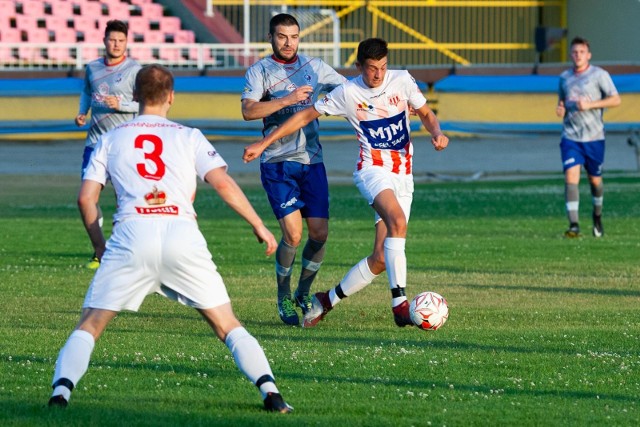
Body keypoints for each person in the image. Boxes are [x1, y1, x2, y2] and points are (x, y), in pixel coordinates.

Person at [48, 64, 292, 413]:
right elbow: (223, 183)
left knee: (91, 323)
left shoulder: (111, 138)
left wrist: (100, 245)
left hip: (132, 233)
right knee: (226, 324)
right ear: (172, 97)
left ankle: (61, 393)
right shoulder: (189, 135)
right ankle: (272, 393)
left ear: (135, 97)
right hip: (181, 233)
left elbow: (85, 198)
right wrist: (259, 224)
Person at [243, 38, 449, 328]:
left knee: (380, 258)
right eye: (371, 69)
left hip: (404, 175)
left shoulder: (402, 80)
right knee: (397, 222)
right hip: (372, 170)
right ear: (358, 67)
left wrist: (436, 132)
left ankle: (325, 300)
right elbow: (304, 116)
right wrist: (264, 143)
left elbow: (426, 113)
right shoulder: (348, 92)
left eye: (382, 67)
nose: (378, 75)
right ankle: (399, 303)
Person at [241, 13, 346, 326]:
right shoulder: (259, 71)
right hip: (277, 163)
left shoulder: (315, 67)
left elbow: (351, 90)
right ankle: (283, 295)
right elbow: (248, 110)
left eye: (294, 36)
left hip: (312, 162)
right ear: (271, 37)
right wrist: (286, 98)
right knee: (294, 234)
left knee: (320, 233)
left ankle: (304, 291)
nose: (288, 43)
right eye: (282, 36)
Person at [76, 19, 141, 269]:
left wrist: (122, 105)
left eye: (121, 40)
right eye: (112, 39)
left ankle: (121, 249)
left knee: (123, 200)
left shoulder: (135, 70)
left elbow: (146, 104)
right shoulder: (92, 68)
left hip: (124, 144)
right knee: (87, 199)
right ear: (104, 40)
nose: (116, 44)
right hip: (95, 144)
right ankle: (98, 249)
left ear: (127, 42)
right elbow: (86, 91)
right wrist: (82, 112)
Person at [555, 36, 621, 238]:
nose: (578, 55)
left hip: (594, 137)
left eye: (582, 52)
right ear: (570, 55)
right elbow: (563, 102)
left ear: (588, 55)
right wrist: (560, 108)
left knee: (595, 180)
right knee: (570, 176)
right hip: (571, 136)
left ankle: (597, 216)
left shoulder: (599, 75)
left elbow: (616, 100)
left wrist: (590, 105)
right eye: (574, 52)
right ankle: (574, 224)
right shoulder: (564, 78)